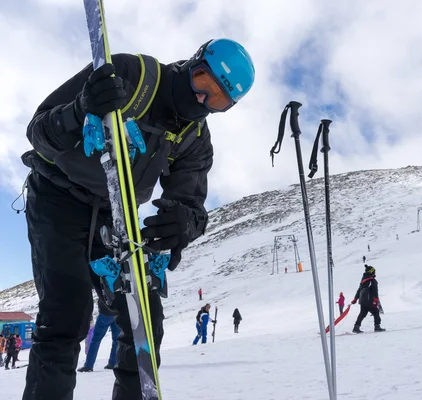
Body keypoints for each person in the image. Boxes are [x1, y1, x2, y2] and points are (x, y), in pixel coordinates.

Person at [20, 37, 255, 399]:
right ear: (193, 63)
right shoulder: (132, 76)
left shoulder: (194, 138)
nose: (203, 100)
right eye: (203, 82)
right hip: (57, 195)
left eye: (219, 99)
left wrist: (184, 224)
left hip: (117, 214)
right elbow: (38, 133)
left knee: (144, 320)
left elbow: (191, 203)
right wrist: (83, 108)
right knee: (66, 313)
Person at [78, 300, 121, 372]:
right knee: (116, 340)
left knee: (95, 340)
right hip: (117, 312)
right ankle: (112, 363)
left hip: (105, 313)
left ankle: (89, 365)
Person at [351, 265, 385, 333]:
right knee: (376, 311)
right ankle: (377, 326)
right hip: (369, 299)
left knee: (362, 313)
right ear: (372, 272)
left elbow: (359, 290)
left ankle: (356, 327)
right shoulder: (372, 280)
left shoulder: (363, 281)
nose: (375, 273)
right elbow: (375, 291)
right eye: (374, 272)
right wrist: (375, 300)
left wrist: (355, 299)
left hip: (362, 300)